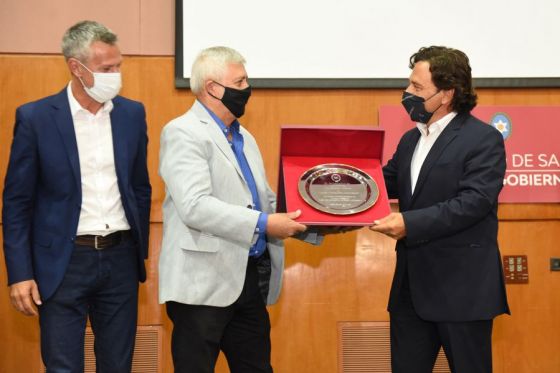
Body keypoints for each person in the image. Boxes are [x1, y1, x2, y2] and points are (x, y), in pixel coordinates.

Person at [158, 46, 329, 373]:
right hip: (200, 288)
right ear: (212, 88)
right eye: (240, 81)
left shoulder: (245, 137)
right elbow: (195, 206)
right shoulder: (183, 132)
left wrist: (322, 219)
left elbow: (263, 200)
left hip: (248, 281)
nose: (247, 89)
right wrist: (265, 224)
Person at [2, 20, 151, 372]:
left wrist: (138, 250)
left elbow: (139, 187)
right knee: (63, 366)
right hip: (63, 264)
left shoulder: (132, 114)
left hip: (120, 260)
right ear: (76, 67)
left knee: (118, 365)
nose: (116, 75)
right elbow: (17, 204)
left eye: (119, 66)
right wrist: (20, 273)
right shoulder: (36, 118)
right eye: (106, 69)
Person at [370, 46, 510, 373]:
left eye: (417, 89)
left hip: (462, 291)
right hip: (410, 293)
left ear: (447, 94)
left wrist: (409, 222)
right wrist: (328, 189)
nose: (406, 94)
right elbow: (378, 185)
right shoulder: (410, 141)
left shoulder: (483, 139)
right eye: (409, 85)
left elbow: (473, 202)